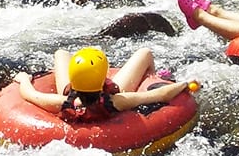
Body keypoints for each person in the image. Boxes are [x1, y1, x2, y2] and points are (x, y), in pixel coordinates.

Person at [14, 46, 199, 122]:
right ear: (104, 80)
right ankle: (152, 77)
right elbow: (161, 95)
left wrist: (23, 78)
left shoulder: (62, 102)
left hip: (70, 96)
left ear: (73, 79)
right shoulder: (117, 100)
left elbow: (29, 94)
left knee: (61, 53)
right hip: (106, 99)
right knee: (145, 53)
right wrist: (184, 83)